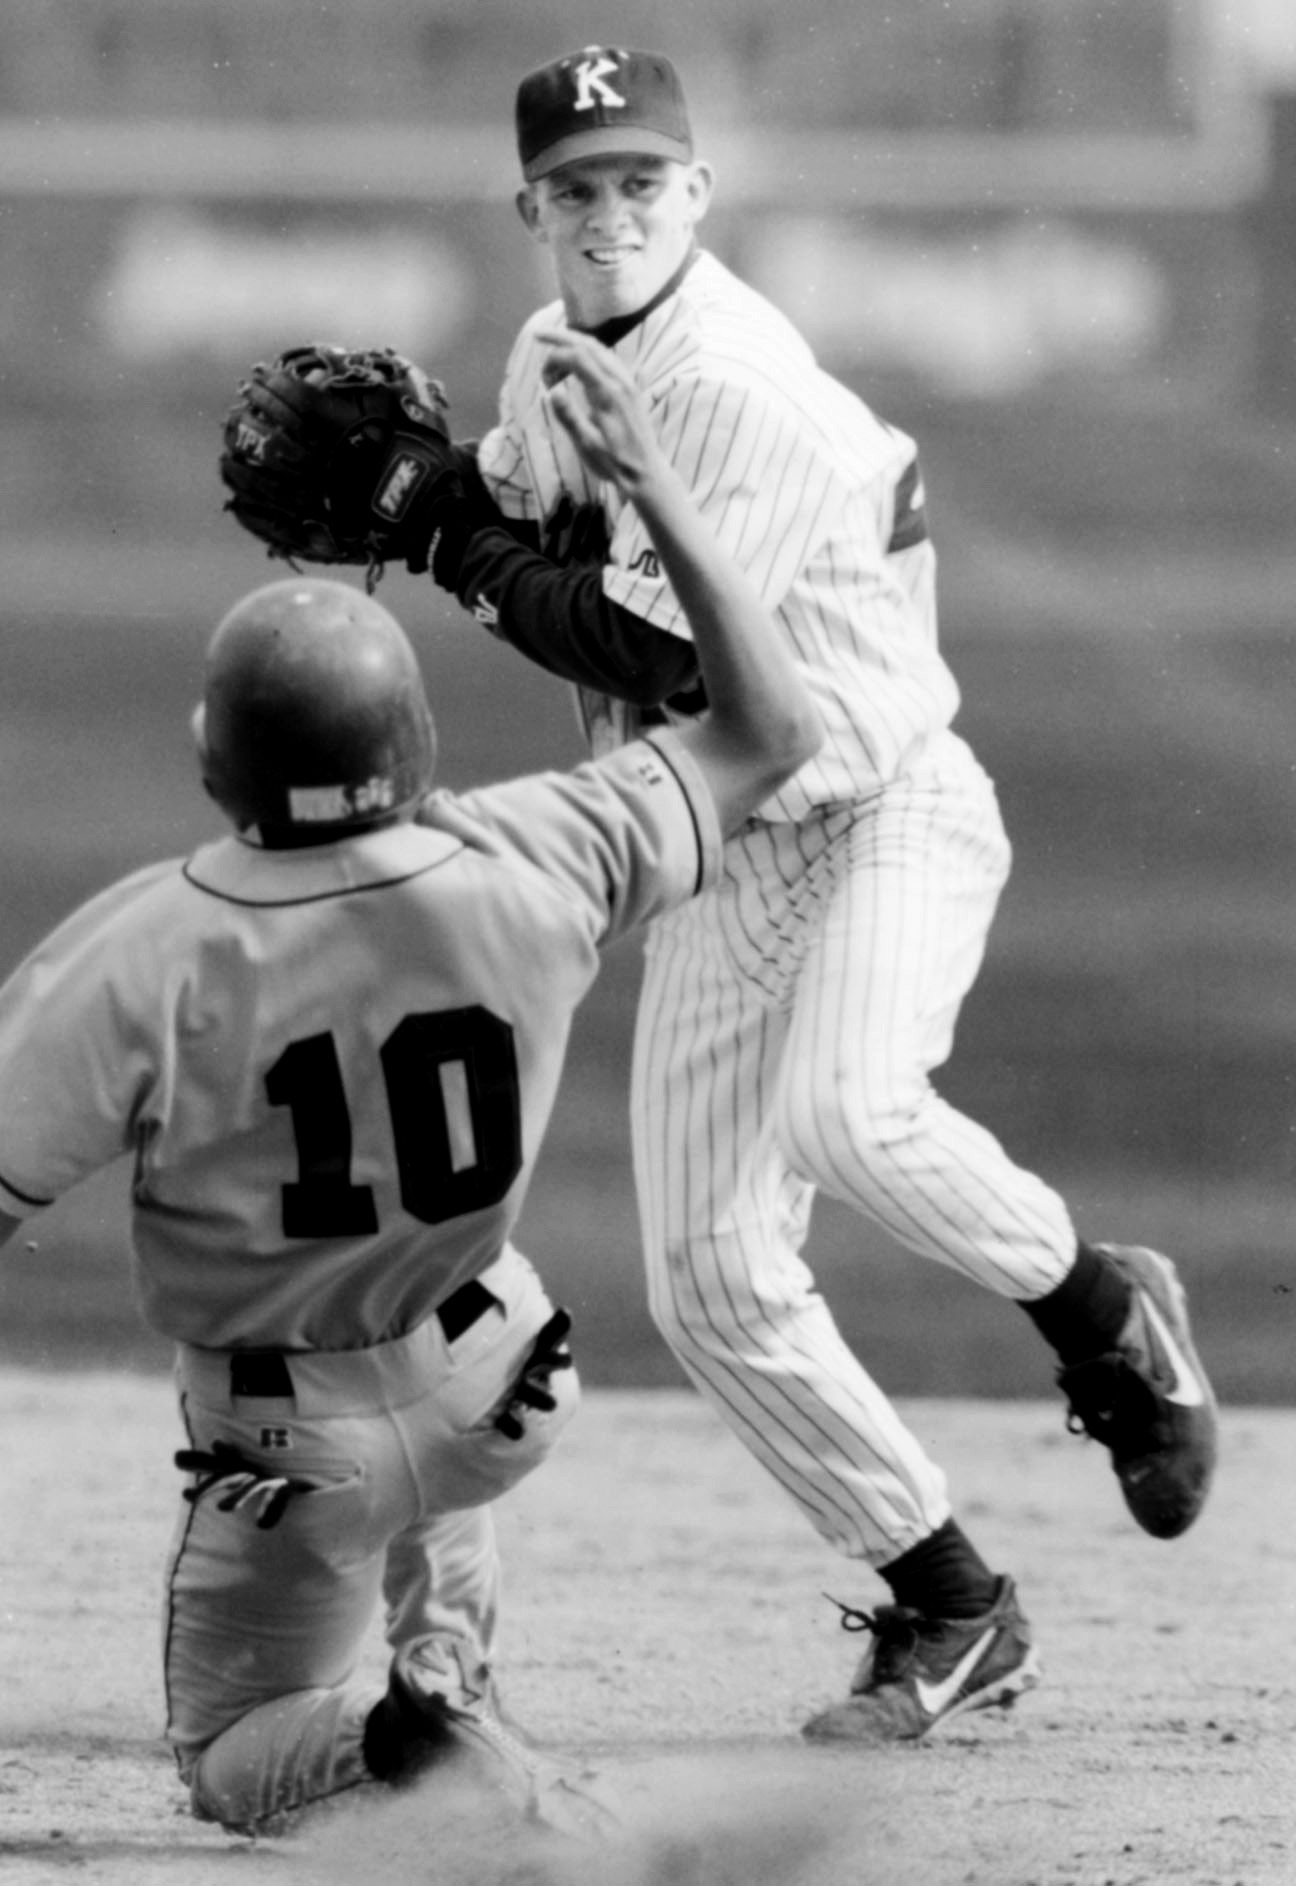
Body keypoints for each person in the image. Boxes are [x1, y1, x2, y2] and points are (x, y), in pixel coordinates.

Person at [217, 46, 1218, 1746]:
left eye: (639, 182)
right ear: (528, 207)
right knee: (708, 1280)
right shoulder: (554, 353)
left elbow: (656, 653)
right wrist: (434, 490)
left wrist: (446, 539)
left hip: (883, 808)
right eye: (576, 188)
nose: (608, 214)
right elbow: (515, 511)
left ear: (697, 193)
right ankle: (952, 1600)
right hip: (718, 847)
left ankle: (1103, 1313)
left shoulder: (736, 384)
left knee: (849, 1110)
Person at [0, 330, 822, 1837]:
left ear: (216, 765)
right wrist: (657, 491)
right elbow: (773, 727)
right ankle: (449, 1675)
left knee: (235, 1748)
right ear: (414, 744)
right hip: (498, 1387)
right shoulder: (541, 852)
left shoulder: (139, 950)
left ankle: (403, 1740)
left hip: (296, 1448)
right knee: (435, 1380)